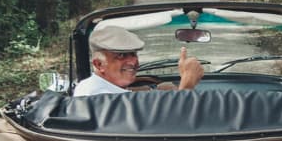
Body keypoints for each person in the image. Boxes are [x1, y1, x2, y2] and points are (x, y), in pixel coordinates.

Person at [73, 25, 204, 96]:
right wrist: (187, 85)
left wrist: (153, 91)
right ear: (99, 64)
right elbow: (172, 125)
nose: (133, 61)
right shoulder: (94, 95)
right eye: (121, 55)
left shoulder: (99, 87)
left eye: (133, 54)